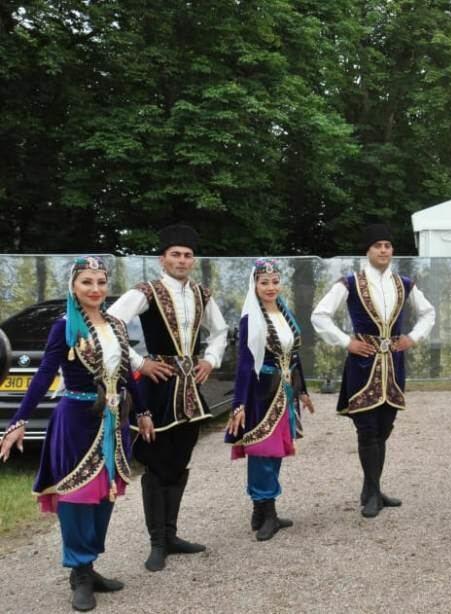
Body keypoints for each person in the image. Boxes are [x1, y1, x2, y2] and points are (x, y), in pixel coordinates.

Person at [1, 257, 153, 612]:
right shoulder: (65, 326)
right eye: (87, 282)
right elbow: (43, 376)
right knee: (77, 497)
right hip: (76, 421)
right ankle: (79, 573)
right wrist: (17, 420)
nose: (96, 289)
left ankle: (90, 563)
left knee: (104, 495)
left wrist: (143, 412)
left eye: (101, 281)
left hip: (112, 420)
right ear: (74, 286)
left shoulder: (116, 325)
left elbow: (129, 373)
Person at [107, 223, 228, 572]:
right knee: (157, 463)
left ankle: (172, 535)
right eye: (175, 254)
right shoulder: (147, 291)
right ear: (163, 259)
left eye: (188, 255)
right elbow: (112, 322)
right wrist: (139, 362)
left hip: (190, 389)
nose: (182, 260)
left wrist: (210, 359)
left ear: (193, 260)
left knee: (179, 459)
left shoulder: (203, 295)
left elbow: (220, 331)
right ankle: (157, 542)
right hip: (159, 389)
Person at [311, 223, 436, 518]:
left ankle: (373, 489)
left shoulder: (404, 283)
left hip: (393, 366)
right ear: (367, 251)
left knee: (384, 428)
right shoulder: (350, 283)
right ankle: (372, 493)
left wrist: (412, 338)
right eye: (378, 245)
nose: (383, 250)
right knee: (367, 430)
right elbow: (320, 315)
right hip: (363, 365)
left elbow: (428, 313)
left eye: (388, 246)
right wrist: (346, 342)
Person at [225, 259, 315, 541]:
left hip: (285, 392)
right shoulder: (251, 318)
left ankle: (263, 510)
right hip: (261, 393)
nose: (270, 287)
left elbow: (294, 355)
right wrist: (238, 403)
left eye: (275, 282)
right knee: (262, 451)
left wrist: (302, 390)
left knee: (276, 452)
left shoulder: (285, 312)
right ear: (255, 285)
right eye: (264, 282)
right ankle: (266, 510)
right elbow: (244, 364)